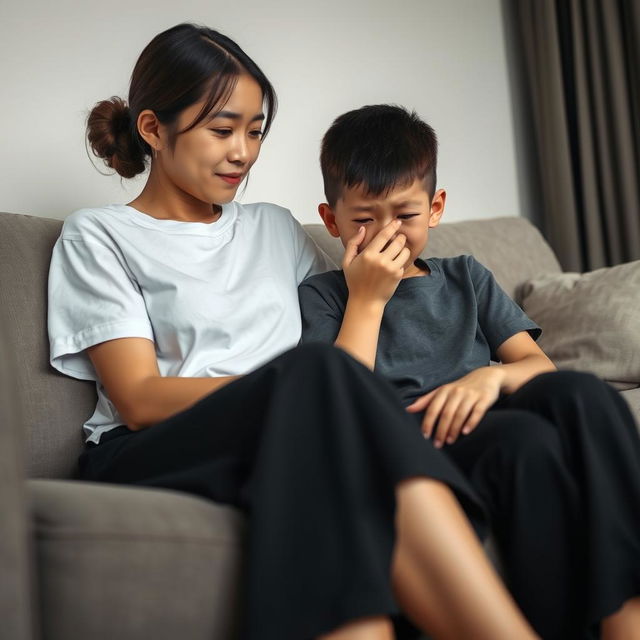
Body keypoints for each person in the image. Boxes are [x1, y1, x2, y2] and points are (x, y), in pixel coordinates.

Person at [46, 23, 544, 640]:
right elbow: (140, 399)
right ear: (153, 129)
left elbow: (357, 324)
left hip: (293, 427)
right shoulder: (98, 235)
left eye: (255, 132)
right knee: (319, 383)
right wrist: (287, 391)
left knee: (408, 441)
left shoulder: (275, 229)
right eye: (222, 130)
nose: (243, 153)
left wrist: (480, 377)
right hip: (152, 445)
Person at [298, 104, 640, 640]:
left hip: (489, 404)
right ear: (331, 220)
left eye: (406, 215)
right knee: (526, 443)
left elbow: (537, 367)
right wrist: (367, 299)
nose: (388, 233)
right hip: (415, 436)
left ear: (435, 209)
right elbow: (340, 394)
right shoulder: (323, 295)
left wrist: (491, 377)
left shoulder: (465, 276)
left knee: (584, 393)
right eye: (365, 218)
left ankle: (629, 620)